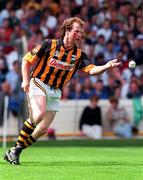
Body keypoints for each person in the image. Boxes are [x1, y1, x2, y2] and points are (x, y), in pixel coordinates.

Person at [4, 17, 121, 165]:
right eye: (76, 31)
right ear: (67, 30)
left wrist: (105, 66)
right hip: (39, 82)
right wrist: (25, 80)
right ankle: (15, 152)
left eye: (81, 32)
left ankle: (15, 151)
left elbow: (91, 70)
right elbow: (26, 60)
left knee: (43, 129)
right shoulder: (49, 44)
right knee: (38, 114)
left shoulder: (79, 55)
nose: (79, 35)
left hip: (56, 91)